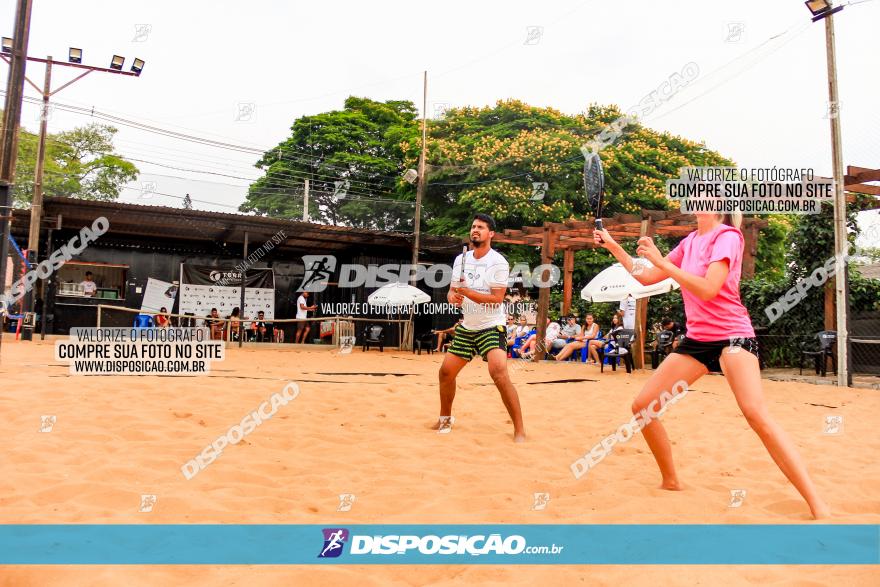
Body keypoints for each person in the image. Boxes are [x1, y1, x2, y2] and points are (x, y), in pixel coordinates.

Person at [593, 212, 829, 519]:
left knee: (756, 414)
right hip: (699, 338)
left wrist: (663, 262)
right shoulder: (690, 241)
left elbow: (708, 288)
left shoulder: (727, 237)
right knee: (643, 406)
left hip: (733, 335)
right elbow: (646, 276)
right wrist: (613, 245)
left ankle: (815, 502)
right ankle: (671, 480)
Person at [434, 213, 526, 442]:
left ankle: (519, 429)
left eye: (481, 227)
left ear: (491, 234)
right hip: (468, 325)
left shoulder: (498, 262)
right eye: (473, 226)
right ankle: (445, 419)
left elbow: (496, 299)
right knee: (445, 372)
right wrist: (452, 297)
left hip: (491, 325)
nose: (475, 230)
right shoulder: (460, 259)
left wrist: (466, 293)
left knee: (498, 373)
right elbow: (451, 290)